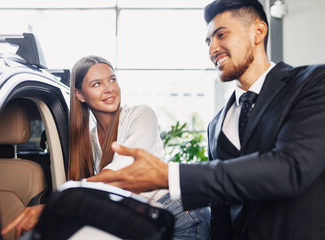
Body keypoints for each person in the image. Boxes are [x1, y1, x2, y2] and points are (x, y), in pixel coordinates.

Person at [87, 1, 325, 240]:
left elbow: (289, 169)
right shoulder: (217, 124)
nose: (213, 49)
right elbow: (221, 211)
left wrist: (171, 175)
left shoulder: (311, 83)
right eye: (208, 41)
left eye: (221, 35)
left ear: (258, 32)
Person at [1, 55, 210, 239]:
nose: (109, 88)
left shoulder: (141, 115)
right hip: (141, 219)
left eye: (112, 79)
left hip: (179, 215)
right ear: (80, 95)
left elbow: (120, 175)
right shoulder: (90, 141)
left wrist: (54, 206)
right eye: (96, 84)